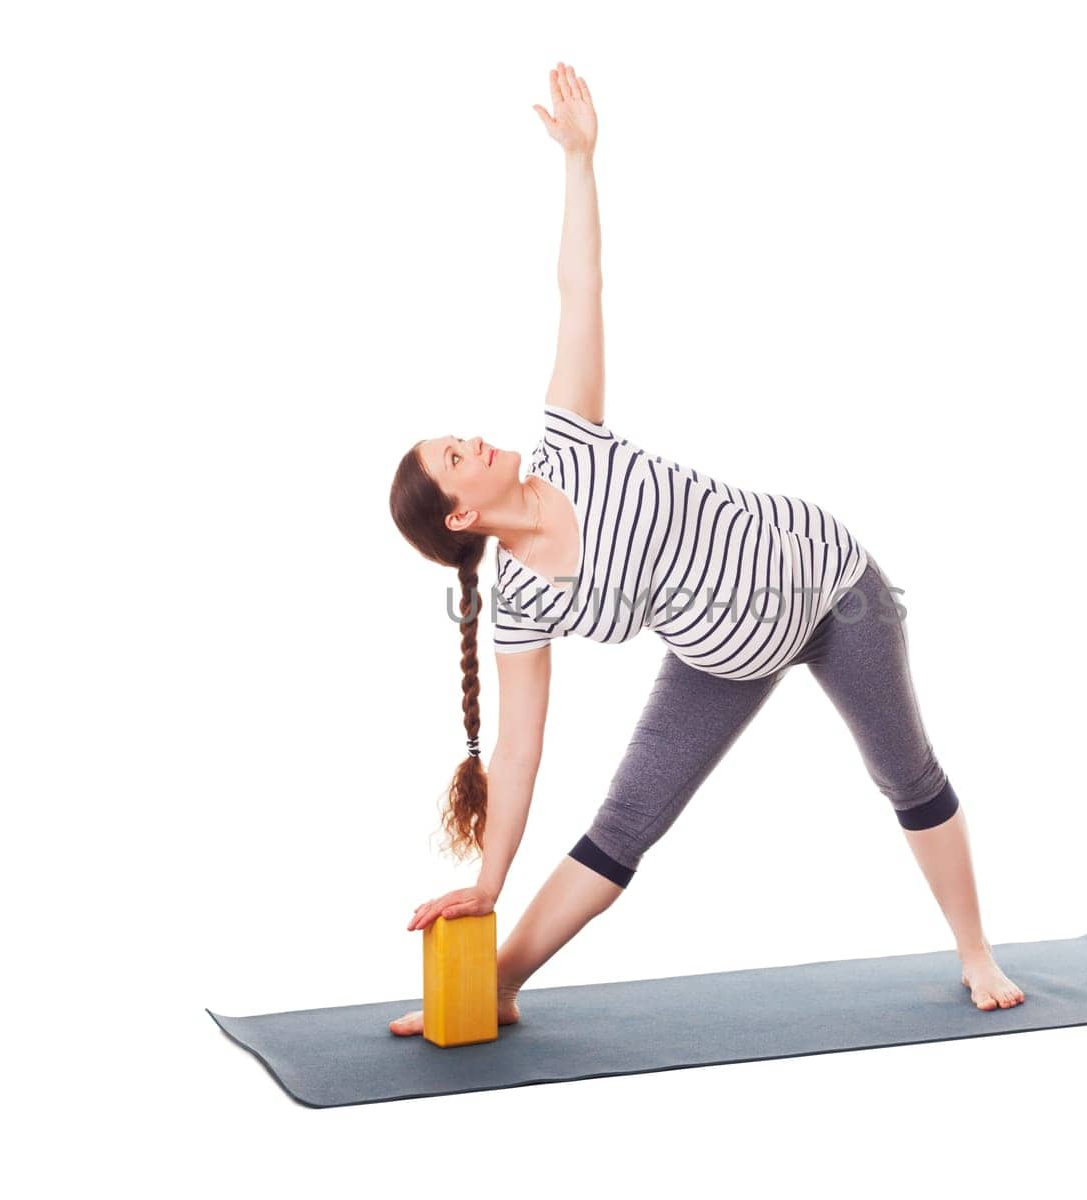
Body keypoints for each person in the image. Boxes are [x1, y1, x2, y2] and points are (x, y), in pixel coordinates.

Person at [385, 63, 1024, 1034]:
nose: (468, 440)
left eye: (456, 435)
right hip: (721, 661)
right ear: (461, 516)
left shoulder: (572, 442)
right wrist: (486, 882)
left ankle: (976, 953)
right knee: (621, 830)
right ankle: (502, 981)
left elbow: (578, 286)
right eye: (452, 458)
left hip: (833, 588)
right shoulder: (520, 603)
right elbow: (518, 752)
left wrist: (580, 160)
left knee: (906, 774)